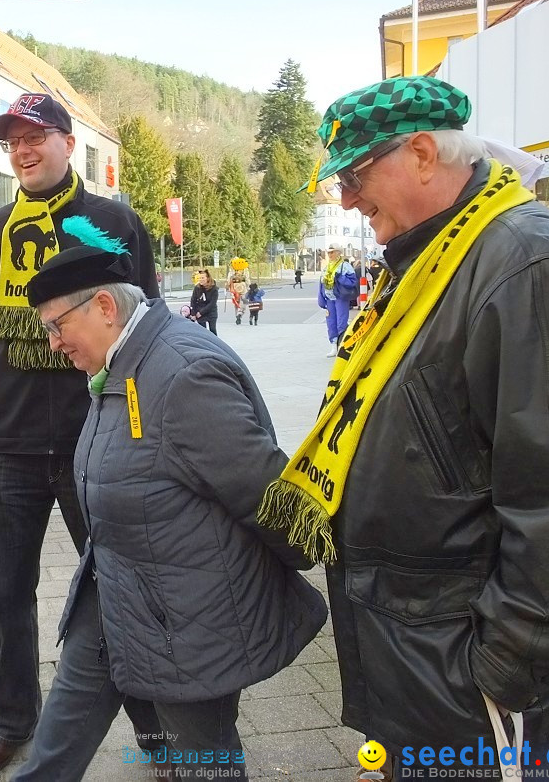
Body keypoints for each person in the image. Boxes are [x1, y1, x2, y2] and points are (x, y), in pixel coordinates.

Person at [258, 76, 549, 779]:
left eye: (352, 175)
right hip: (420, 646)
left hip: (475, 671)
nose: (344, 198)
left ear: (419, 154)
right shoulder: (428, 256)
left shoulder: (524, 261)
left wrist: (508, 663)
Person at [20, 246, 326, 780]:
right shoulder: (124, 359)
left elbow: (267, 494)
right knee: (58, 741)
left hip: (184, 622)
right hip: (114, 587)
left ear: (105, 307)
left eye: (56, 326)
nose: (53, 343)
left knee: (204, 760)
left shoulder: (182, 374)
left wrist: (307, 563)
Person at [0, 92, 162, 778]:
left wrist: (147, 424)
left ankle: (154, 726)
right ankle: (14, 718)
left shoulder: (112, 222)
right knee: (4, 595)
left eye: (36, 137)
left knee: (125, 588)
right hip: (7, 448)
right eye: (13, 142)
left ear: (69, 143)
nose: (24, 151)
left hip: (98, 441)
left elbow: (148, 327)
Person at [317, 245, 356, 356]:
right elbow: (321, 283)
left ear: (339, 253)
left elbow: (352, 282)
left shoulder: (345, 266)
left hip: (340, 298)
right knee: (331, 323)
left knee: (341, 323)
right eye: (329, 253)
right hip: (329, 299)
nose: (330, 255)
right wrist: (321, 297)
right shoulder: (326, 267)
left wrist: (341, 278)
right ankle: (334, 346)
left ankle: (343, 346)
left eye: (332, 252)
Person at [188, 268, 218, 335]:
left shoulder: (214, 289)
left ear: (207, 278)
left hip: (210, 311)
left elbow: (212, 303)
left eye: (202, 278)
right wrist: (193, 314)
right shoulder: (197, 288)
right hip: (199, 311)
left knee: (212, 330)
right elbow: (193, 301)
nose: (201, 280)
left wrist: (201, 312)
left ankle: (214, 344)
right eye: (199, 278)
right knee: (202, 331)